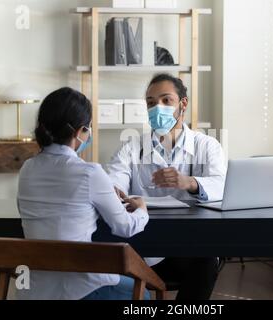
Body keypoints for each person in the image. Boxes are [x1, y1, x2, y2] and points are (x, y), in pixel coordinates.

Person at [17, 87, 150, 300]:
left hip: (33, 289)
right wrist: (142, 209)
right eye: (88, 128)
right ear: (79, 132)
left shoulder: (27, 169)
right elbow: (125, 227)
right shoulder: (90, 173)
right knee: (144, 295)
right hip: (78, 288)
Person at [108, 74, 227, 300]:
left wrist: (189, 182)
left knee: (207, 257)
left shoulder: (207, 145)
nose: (157, 108)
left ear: (183, 103)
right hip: (143, 248)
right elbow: (115, 182)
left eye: (166, 101)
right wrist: (114, 191)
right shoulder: (132, 148)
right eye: (151, 103)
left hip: (190, 245)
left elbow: (222, 184)